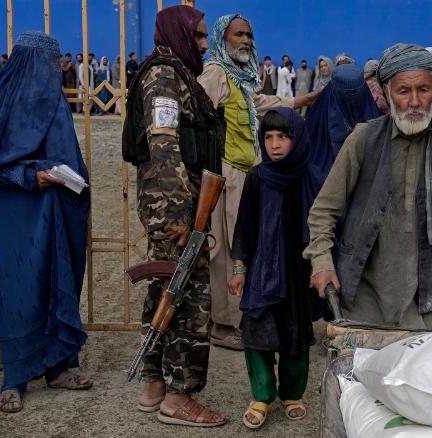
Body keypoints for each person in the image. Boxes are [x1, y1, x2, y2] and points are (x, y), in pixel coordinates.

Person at [304, 44, 432, 329]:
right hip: (364, 294)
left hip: (426, 293)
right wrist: (322, 263)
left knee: (425, 370)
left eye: (424, 89)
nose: (415, 101)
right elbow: (323, 211)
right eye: (404, 91)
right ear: (387, 93)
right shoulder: (363, 139)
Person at [0, 31, 93, 414]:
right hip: (21, 216)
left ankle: (58, 367)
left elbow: (67, 155)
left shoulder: (54, 102)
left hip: (59, 212)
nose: (56, 70)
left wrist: (70, 179)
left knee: (61, 282)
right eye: (51, 63)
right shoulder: (1, 102)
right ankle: (15, 378)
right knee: (21, 289)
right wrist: (30, 175)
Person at [123, 5, 227, 427]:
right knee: (190, 297)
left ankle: (154, 384)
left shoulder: (176, 71)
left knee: (166, 290)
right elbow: (164, 148)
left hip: (175, 205)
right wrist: (184, 216)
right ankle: (179, 395)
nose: (204, 44)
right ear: (179, 33)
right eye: (199, 36)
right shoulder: (165, 75)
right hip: (177, 207)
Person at [198, 14, 321, 350]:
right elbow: (195, 116)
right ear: (224, 38)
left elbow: (259, 104)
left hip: (243, 171)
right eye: (239, 34)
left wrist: (299, 101)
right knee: (225, 247)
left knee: (246, 240)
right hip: (224, 173)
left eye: (249, 35)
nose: (246, 41)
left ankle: (241, 313)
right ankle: (223, 324)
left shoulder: (240, 79)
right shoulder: (216, 74)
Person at [229, 107, 321, 429]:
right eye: (268, 137)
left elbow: (325, 227)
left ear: (296, 138)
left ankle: (292, 394)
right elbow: (245, 224)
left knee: (295, 334)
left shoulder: (312, 176)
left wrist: (321, 268)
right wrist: (240, 269)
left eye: (282, 136)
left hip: (299, 273)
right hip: (262, 271)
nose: (275, 144)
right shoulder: (258, 177)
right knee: (257, 334)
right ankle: (262, 396)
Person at [305, 63, 380, 182]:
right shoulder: (319, 119)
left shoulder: (376, 124)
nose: (351, 101)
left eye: (355, 95)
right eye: (345, 95)